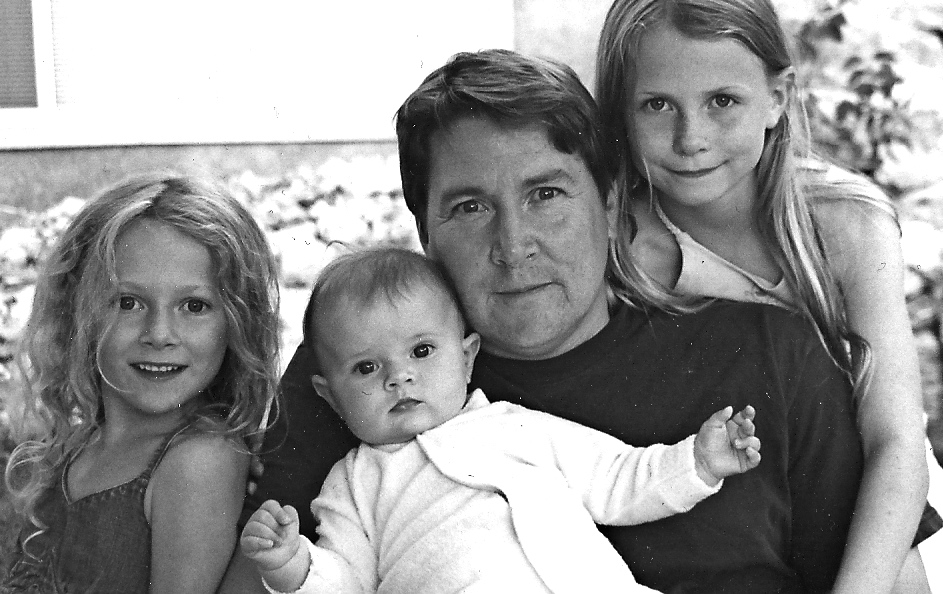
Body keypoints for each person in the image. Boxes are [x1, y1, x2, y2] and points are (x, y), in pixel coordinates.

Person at [221, 48, 864, 593]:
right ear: (426, 234)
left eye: (546, 194)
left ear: (609, 203)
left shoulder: (769, 355)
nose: (513, 246)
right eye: (471, 208)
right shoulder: (364, 363)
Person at [594, 0, 939, 593]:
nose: (691, 138)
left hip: (874, 502)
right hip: (718, 493)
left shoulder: (844, 227)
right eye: (657, 105)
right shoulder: (621, 244)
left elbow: (895, 443)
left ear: (777, 99)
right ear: (620, 113)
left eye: (722, 101)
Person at [240, 246, 762, 593]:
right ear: (330, 397)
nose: (399, 378)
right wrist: (293, 565)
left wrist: (697, 462)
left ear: (467, 357)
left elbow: (617, 477)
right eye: (367, 368)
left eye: (421, 350)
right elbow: (346, 582)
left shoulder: (516, 426)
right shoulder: (353, 483)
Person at [2, 174, 281, 594]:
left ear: (237, 323)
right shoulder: (75, 446)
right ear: (77, 309)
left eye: (194, 306)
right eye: (128, 302)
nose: (159, 334)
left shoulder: (198, 460)